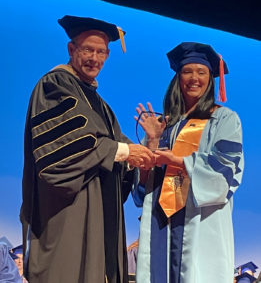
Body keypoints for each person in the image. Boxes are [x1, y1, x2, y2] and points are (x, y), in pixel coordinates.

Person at [20, 15, 154, 283]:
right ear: (72, 50)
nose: (95, 58)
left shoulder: (101, 105)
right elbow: (67, 147)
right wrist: (126, 153)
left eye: (102, 52)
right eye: (88, 50)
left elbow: (120, 147)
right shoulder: (55, 85)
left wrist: (149, 145)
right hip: (70, 213)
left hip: (101, 217)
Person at [132, 42, 244, 283]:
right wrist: (151, 144)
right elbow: (142, 194)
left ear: (210, 79)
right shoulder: (163, 125)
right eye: (187, 71)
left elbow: (225, 173)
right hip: (161, 225)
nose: (194, 78)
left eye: (201, 72)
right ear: (178, 78)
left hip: (200, 222)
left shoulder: (224, 119)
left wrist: (180, 160)